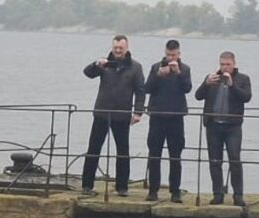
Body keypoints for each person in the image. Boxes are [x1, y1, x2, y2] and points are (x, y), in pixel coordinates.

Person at [81, 35, 146, 197]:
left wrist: (138, 112)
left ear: (126, 48)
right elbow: (87, 73)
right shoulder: (104, 64)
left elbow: (140, 91)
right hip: (102, 112)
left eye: (121, 48)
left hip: (122, 114)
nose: (118, 51)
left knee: (123, 151)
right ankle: (87, 185)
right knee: (93, 149)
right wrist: (96, 64)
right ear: (112, 47)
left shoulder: (136, 67)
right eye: (115, 48)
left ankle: (122, 187)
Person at [194, 51, 252, 206]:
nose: (225, 68)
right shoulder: (213, 78)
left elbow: (246, 97)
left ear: (234, 64)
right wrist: (206, 83)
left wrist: (232, 85)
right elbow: (198, 96)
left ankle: (238, 195)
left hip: (232, 126)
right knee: (214, 161)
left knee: (234, 159)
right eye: (222, 64)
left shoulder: (243, 79)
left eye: (228, 64)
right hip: (213, 125)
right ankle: (218, 194)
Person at [144, 39, 192, 203]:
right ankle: (153, 190)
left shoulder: (185, 69)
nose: (170, 58)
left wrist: (178, 73)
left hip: (176, 117)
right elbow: (147, 88)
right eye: (168, 54)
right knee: (154, 154)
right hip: (157, 116)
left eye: (173, 55)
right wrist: (158, 76)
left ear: (179, 54)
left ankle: (175, 191)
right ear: (164, 53)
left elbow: (187, 88)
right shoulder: (156, 67)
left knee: (175, 156)